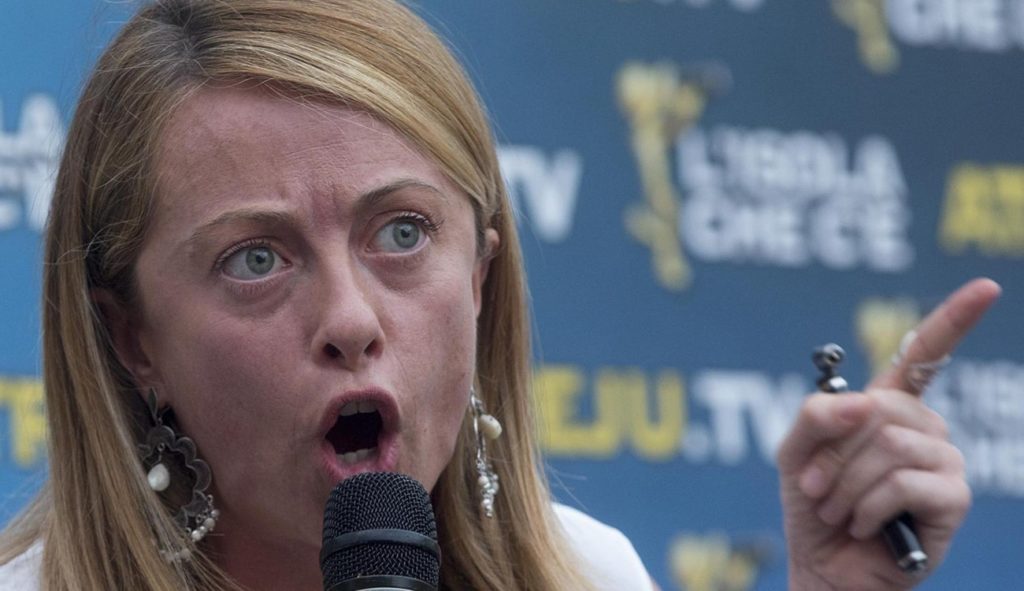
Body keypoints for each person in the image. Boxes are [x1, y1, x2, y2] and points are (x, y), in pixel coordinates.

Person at [0, 0, 1000, 589]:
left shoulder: (592, 575)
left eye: (402, 233)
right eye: (255, 259)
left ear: (480, 278)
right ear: (131, 338)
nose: (350, 320)